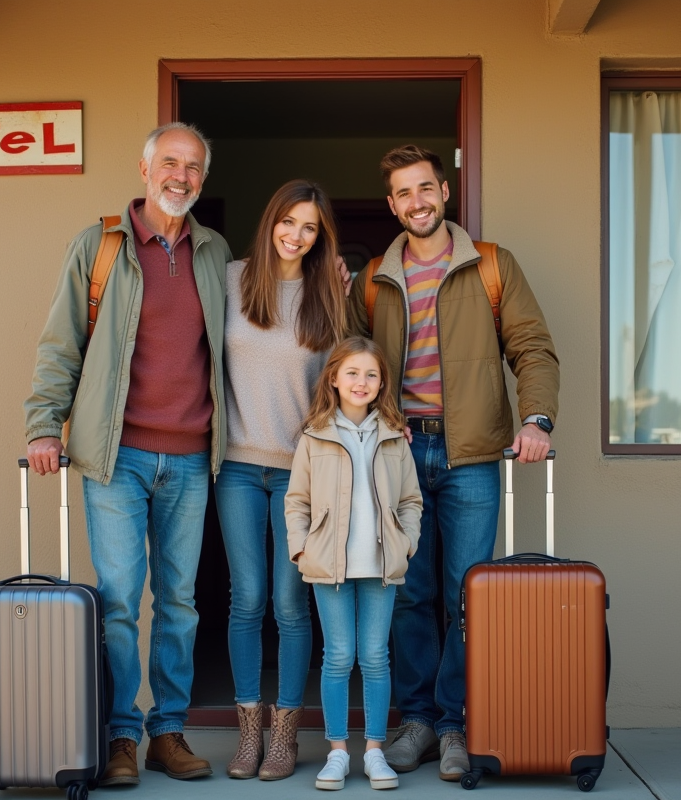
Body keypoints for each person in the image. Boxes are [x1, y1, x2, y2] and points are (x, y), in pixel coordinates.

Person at [23, 122, 232, 785]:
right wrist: (42, 425)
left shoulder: (214, 250)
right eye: (170, 162)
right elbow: (61, 343)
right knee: (117, 600)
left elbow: (255, 321)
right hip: (117, 458)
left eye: (194, 166)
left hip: (192, 459)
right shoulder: (101, 246)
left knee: (180, 601)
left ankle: (167, 732)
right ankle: (119, 735)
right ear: (144, 170)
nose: (182, 176)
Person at [349, 145, 560, 781]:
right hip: (399, 453)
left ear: (445, 191)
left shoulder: (490, 265)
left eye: (425, 189)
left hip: (471, 453)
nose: (416, 202)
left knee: (467, 596)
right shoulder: (374, 278)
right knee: (410, 595)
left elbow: (533, 347)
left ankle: (455, 725)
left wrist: (536, 419)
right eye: (403, 194)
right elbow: (351, 364)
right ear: (392, 204)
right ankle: (415, 721)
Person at [216, 180, 348, 780]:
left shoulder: (329, 295)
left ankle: (285, 735)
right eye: (288, 222)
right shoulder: (228, 279)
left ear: (321, 238)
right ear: (271, 221)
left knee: (292, 604)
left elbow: (343, 388)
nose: (296, 235)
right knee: (246, 600)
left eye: (310, 227)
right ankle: (249, 734)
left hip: (299, 474)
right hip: (238, 467)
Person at [285, 336, 423, 792]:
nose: (361, 382)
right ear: (334, 379)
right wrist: (302, 549)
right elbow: (297, 501)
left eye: (371, 374)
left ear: (382, 382)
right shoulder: (314, 435)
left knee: (377, 658)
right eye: (352, 373)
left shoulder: (393, 435)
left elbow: (410, 500)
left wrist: (406, 543)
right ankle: (339, 753)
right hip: (331, 566)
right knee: (339, 657)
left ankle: (377, 752)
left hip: (382, 563)